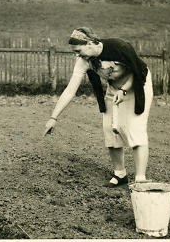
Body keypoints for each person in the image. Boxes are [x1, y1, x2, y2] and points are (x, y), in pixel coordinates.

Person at [44, 27, 153, 187]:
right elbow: (70, 90)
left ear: (90, 43)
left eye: (79, 50)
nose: (77, 55)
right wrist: (53, 117)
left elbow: (139, 71)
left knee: (135, 127)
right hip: (115, 87)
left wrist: (124, 90)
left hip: (137, 84)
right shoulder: (84, 61)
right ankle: (120, 174)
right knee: (109, 127)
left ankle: (140, 179)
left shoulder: (119, 47)